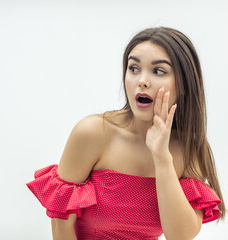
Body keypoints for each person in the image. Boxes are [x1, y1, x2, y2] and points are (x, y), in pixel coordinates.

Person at [26, 27, 226, 240]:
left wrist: (162, 158)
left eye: (158, 71)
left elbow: (180, 236)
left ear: (184, 85)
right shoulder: (92, 133)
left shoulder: (190, 149)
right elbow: (61, 227)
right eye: (133, 68)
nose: (142, 81)